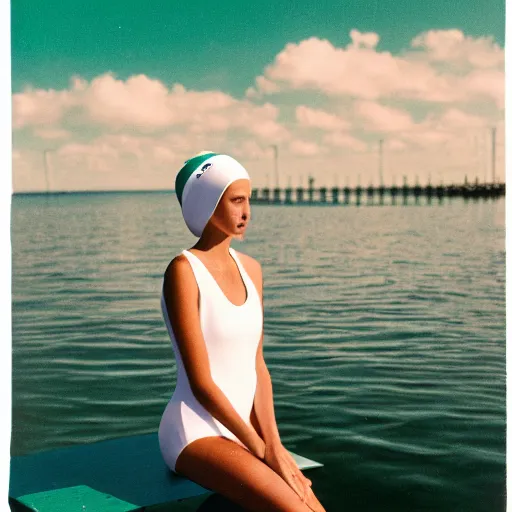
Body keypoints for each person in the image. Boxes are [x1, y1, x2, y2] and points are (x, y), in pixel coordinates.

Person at [158, 152, 326, 512]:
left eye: (248, 199)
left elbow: (257, 366)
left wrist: (275, 445)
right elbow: (201, 382)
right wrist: (260, 449)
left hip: (244, 432)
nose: (247, 211)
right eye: (236, 200)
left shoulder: (253, 269)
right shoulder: (183, 272)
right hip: (195, 430)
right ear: (207, 202)